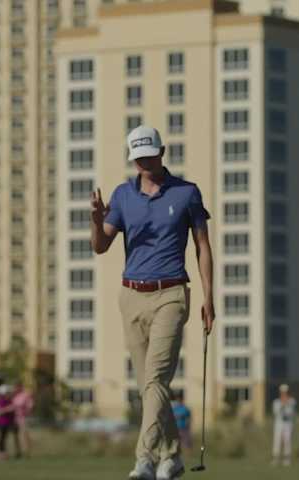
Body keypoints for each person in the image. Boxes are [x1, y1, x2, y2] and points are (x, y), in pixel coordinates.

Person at [91, 125, 214, 480]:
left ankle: (144, 459)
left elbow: (202, 246)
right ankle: (171, 456)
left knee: (156, 378)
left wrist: (208, 296)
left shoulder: (187, 193)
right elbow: (100, 246)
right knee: (149, 386)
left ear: (161, 152)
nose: (144, 163)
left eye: (149, 156)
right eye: (138, 158)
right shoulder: (122, 195)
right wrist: (96, 219)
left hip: (171, 295)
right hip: (130, 296)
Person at [0, 384, 21, 460]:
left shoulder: (10, 400)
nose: (10, 394)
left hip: (10, 422)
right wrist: (7, 409)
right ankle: (0, 454)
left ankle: (12, 453)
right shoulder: (1, 401)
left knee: (10, 437)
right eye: (8, 392)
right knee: (2, 438)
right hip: (2, 422)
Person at [272, 384, 296, 466]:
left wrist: (286, 403)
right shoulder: (276, 402)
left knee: (287, 440)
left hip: (288, 423)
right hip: (279, 423)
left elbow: (291, 412)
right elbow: (276, 412)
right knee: (277, 440)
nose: (284, 394)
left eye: (286, 392)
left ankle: (287, 459)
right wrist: (283, 404)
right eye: (283, 392)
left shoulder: (292, 401)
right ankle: (276, 458)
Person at [12, 382, 34, 457]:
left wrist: (26, 412)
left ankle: (27, 452)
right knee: (16, 435)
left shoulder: (25, 395)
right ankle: (18, 452)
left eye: (17, 387)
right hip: (15, 418)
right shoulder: (15, 396)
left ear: (21, 387)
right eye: (15, 387)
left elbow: (30, 405)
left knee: (24, 435)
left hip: (23, 418)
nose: (16, 389)